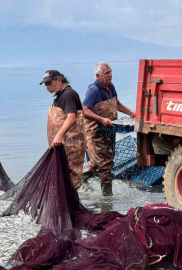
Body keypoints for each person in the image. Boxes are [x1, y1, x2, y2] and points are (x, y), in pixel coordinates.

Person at [82, 62, 135, 196]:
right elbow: (84, 110)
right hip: (95, 132)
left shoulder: (110, 87)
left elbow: (116, 103)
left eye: (111, 72)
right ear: (98, 76)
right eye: (107, 73)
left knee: (107, 162)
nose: (110, 75)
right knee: (104, 167)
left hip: (110, 130)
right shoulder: (93, 90)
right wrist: (101, 119)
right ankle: (108, 200)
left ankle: (80, 176)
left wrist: (130, 113)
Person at [40, 70, 86, 190]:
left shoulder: (68, 95)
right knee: (63, 178)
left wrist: (58, 136)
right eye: (45, 85)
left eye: (49, 83)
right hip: (63, 146)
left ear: (59, 80)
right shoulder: (59, 96)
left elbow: (71, 117)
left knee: (70, 178)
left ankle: (71, 206)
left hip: (71, 146)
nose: (47, 88)